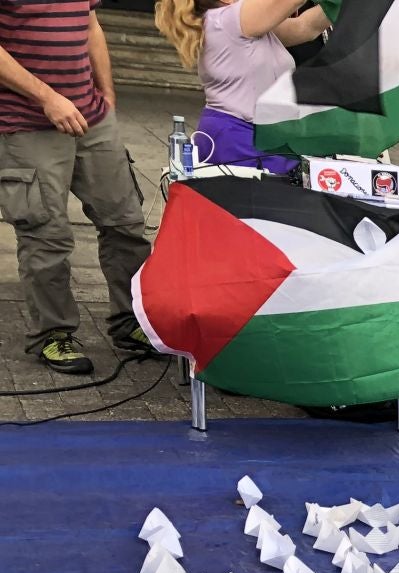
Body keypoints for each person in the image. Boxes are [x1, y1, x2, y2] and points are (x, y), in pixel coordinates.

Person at [0, 0, 156, 374]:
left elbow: (91, 25)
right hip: (26, 122)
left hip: (91, 115)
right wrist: (47, 98)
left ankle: (133, 322)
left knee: (125, 222)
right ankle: (52, 334)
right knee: (46, 234)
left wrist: (107, 91)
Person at [154, 0, 332, 174]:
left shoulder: (235, 22)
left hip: (252, 134)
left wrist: (339, 6)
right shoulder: (230, 19)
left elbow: (305, 27)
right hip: (239, 137)